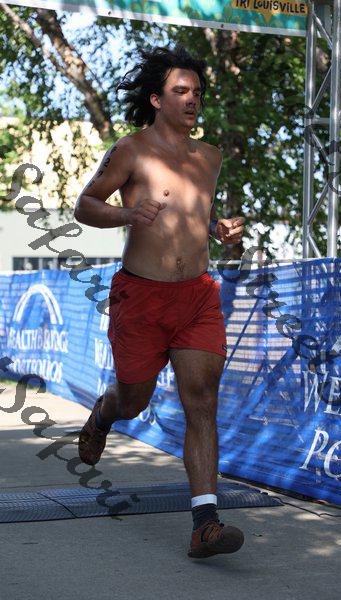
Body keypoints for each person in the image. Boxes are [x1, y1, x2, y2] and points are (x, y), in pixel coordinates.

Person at [74, 44, 245, 559]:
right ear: (156, 98)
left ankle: (205, 523)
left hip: (196, 298)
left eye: (197, 92)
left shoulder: (209, 157)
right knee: (134, 401)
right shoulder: (131, 150)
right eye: (181, 91)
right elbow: (85, 205)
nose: (192, 99)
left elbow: (195, 218)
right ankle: (103, 416)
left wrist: (218, 229)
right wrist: (127, 215)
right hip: (141, 298)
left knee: (202, 401)